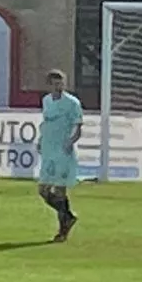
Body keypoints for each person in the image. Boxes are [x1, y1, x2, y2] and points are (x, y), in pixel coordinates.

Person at [36, 70, 83, 241]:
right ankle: (68, 216)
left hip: (63, 152)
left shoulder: (72, 103)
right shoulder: (46, 101)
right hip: (48, 150)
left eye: (61, 83)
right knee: (43, 190)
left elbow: (78, 127)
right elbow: (46, 123)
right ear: (49, 85)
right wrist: (41, 140)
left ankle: (62, 231)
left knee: (60, 190)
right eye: (55, 84)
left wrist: (70, 142)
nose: (59, 87)